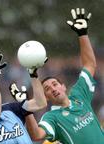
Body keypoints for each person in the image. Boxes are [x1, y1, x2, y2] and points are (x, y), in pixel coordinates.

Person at [22, 8, 104, 144]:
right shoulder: (52, 117)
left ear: (64, 87)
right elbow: (36, 135)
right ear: (46, 98)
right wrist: (26, 109)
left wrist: (83, 34)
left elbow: (89, 65)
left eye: (54, 84)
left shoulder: (79, 95)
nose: (53, 89)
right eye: (47, 89)